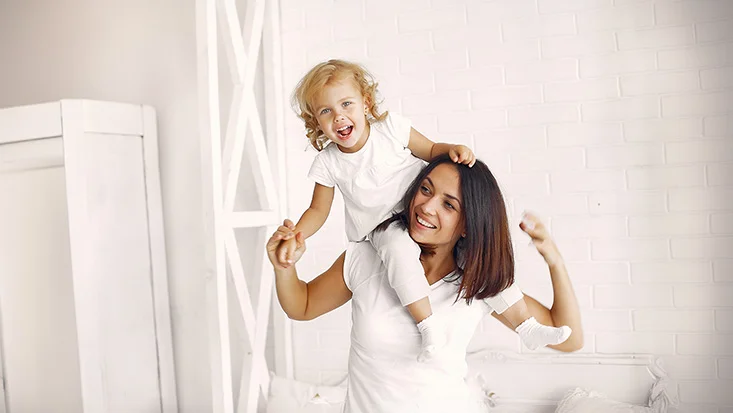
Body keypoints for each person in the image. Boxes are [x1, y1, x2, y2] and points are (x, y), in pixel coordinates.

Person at [276, 59, 570, 362]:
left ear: (365, 104)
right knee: (397, 250)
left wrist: (451, 149)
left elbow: (429, 150)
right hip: (384, 226)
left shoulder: (390, 128)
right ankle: (427, 325)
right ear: (317, 121)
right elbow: (317, 209)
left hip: (412, 208)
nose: (339, 116)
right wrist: (297, 234)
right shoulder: (328, 162)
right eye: (326, 111)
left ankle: (528, 326)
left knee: (478, 264)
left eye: (346, 104)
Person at [266, 155, 584, 413]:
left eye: (449, 205)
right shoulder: (368, 256)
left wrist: (554, 260)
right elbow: (302, 305)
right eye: (426, 190)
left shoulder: (477, 285)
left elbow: (568, 338)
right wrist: (285, 266)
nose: (427, 207)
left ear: (467, 226)